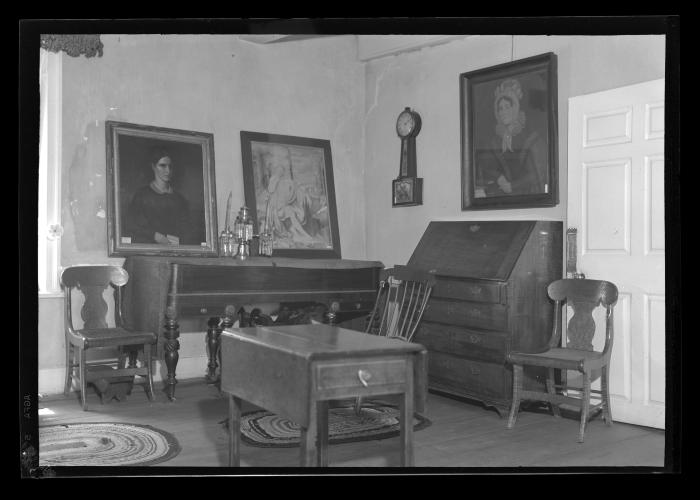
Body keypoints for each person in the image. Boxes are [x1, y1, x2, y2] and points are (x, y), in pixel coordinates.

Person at [476, 78, 547, 197]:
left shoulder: (531, 137)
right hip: (503, 197)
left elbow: (539, 172)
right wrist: (499, 177)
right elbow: (486, 164)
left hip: (529, 196)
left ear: (515, 108)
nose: (503, 112)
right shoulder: (496, 141)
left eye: (507, 107)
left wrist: (513, 186)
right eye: (500, 108)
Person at [125, 147, 190, 245]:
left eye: (170, 166)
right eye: (162, 166)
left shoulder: (179, 199)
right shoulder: (141, 195)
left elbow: (187, 230)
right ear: (153, 166)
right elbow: (132, 226)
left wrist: (179, 240)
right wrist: (154, 236)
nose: (167, 170)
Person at [259, 145, 319, 246]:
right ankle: (299, 235)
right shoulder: (274, 181)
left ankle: (300, 235)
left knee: (291, 212)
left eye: (286, 158)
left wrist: (304, 194)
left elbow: (294, 193)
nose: (282, 170)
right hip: (277, 209)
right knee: (289, 213)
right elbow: (270, 192)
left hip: (284, 208)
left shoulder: (287, 183)